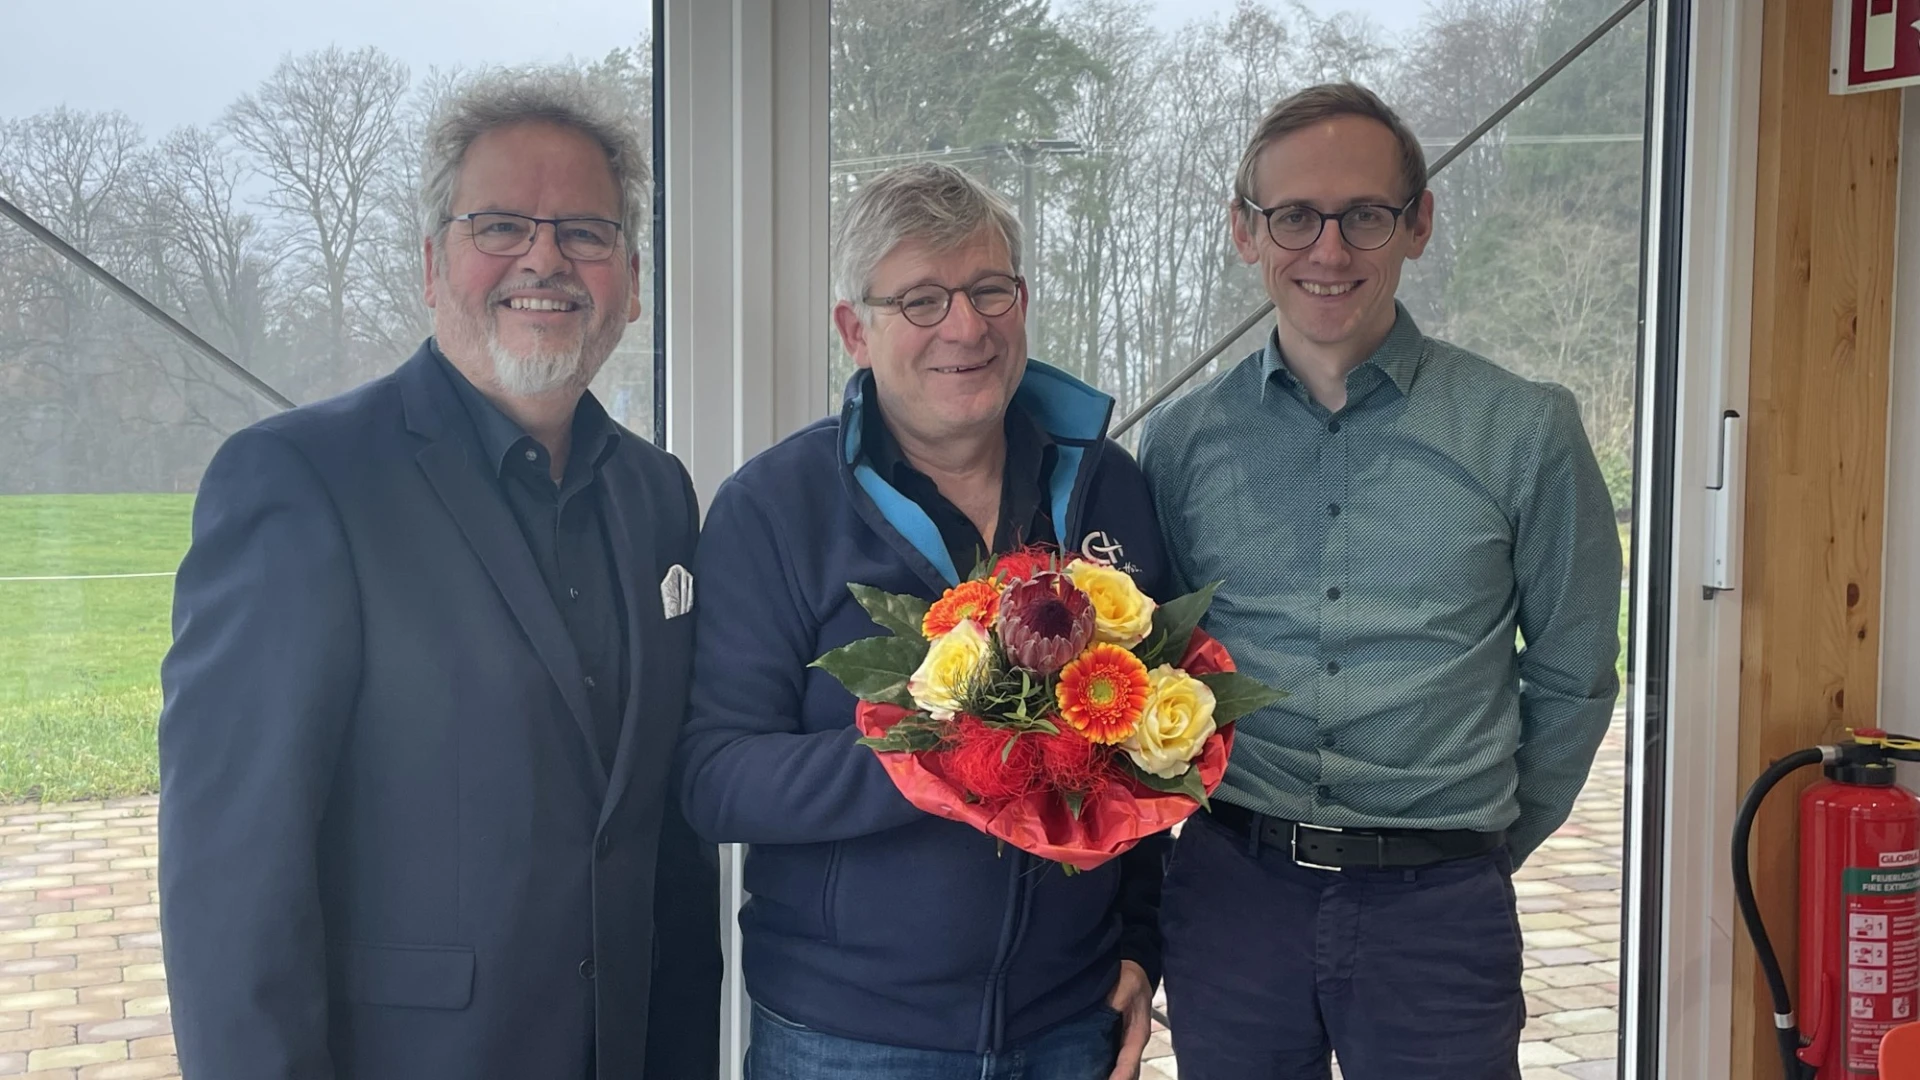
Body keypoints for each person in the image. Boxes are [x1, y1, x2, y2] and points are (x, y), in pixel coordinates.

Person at [157, 69, 720, 1080]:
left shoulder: (659, 498)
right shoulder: (299, 484)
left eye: (585, 234)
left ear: (632, 283)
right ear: (431, 265)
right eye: (500, 226)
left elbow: (659, 841)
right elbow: (233, 883)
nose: (544, 260)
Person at [1137, 82, 1623, 1080]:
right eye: (1294, 217)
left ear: (1419, 225)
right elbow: (1158, 675)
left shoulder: (1524, 429)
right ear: (1244, 232)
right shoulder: (1182, 443)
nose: (1328, 251)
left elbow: (1574, 675)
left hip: (1437, 915)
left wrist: (1473, 847)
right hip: (1234, 895)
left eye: (1365, 215)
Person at [678, 162, 1166, 1080]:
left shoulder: (1111, 490)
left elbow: (1153, 751)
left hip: (1071, 1026)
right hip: (846, 1041)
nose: (966, 326)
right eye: (922, 299)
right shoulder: (774, 509)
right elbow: (717, 778)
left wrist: (1142, 945)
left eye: (990, 290)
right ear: (855, 330)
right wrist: (934, 753)